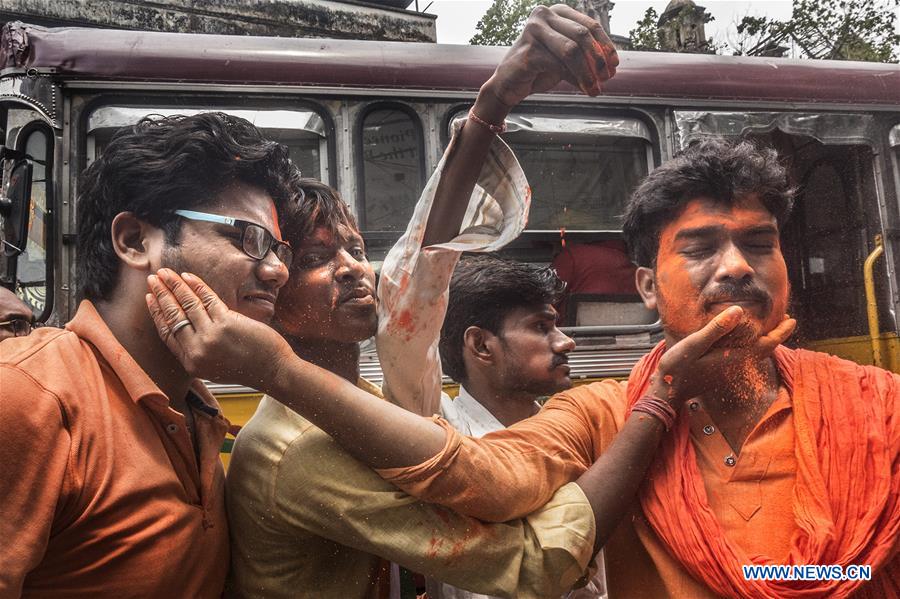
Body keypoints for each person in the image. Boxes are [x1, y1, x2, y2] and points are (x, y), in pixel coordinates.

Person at [226, 180, 598, 599]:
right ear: (274, 290)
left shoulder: (364, 397)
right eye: (315, 258)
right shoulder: (297, 445)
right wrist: (637, 417)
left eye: (359, 251)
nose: (352, 268)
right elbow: (527, 563)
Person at [0, 112, 298, 597]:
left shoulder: (197, 406)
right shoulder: (29, 398)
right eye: (248, 239)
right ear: (135, 241)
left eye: (278, 251)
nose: (276, 273)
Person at [433, 255, 605, 599]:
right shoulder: (447, 438)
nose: (565, 342)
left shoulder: (577, 429)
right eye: (541, 328)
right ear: (482, 345)